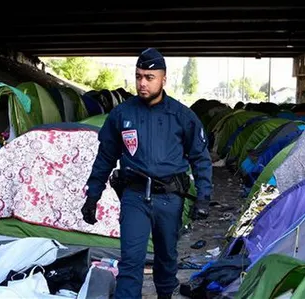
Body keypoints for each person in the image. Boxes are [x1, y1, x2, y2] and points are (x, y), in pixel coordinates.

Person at [81, 48, 213, 299]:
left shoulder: (182, 116)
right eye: (138, 76)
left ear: (164, 79)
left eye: (149, 77)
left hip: (170, 198)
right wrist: (92, 195)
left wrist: (204, 196)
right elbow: (105, 157)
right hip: (135, 197)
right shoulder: (122, 114)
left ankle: (165, 295)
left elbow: (200, 157)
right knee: (131, 262)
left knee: (166, 259)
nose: (142, 83)